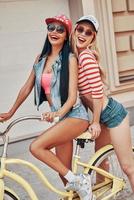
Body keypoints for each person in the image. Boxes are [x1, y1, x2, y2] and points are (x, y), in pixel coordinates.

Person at [0, 14, 97, 200]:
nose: (54, 32)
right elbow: (27, 87)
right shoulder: (40, 59)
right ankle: (79, 188)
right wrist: (11, 112)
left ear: (66, 34)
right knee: (64, 173)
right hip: (60, 118)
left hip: (75, 116)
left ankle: (81, 180)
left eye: (60, 29)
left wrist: (58, 113)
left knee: (36, 147)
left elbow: (72, 97)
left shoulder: (70, 58)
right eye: (51, 27)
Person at [72, 14, 134, 191]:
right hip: (104, 116)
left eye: (89, 32)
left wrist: (96, 122)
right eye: (80, 29)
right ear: (75, 30)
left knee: (128, 167)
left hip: (113, 116)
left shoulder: (86, 57)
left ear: (93, 38)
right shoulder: (77, 58)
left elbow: (97, 93)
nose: (83, 34)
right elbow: (83, 96)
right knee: (100, 165)